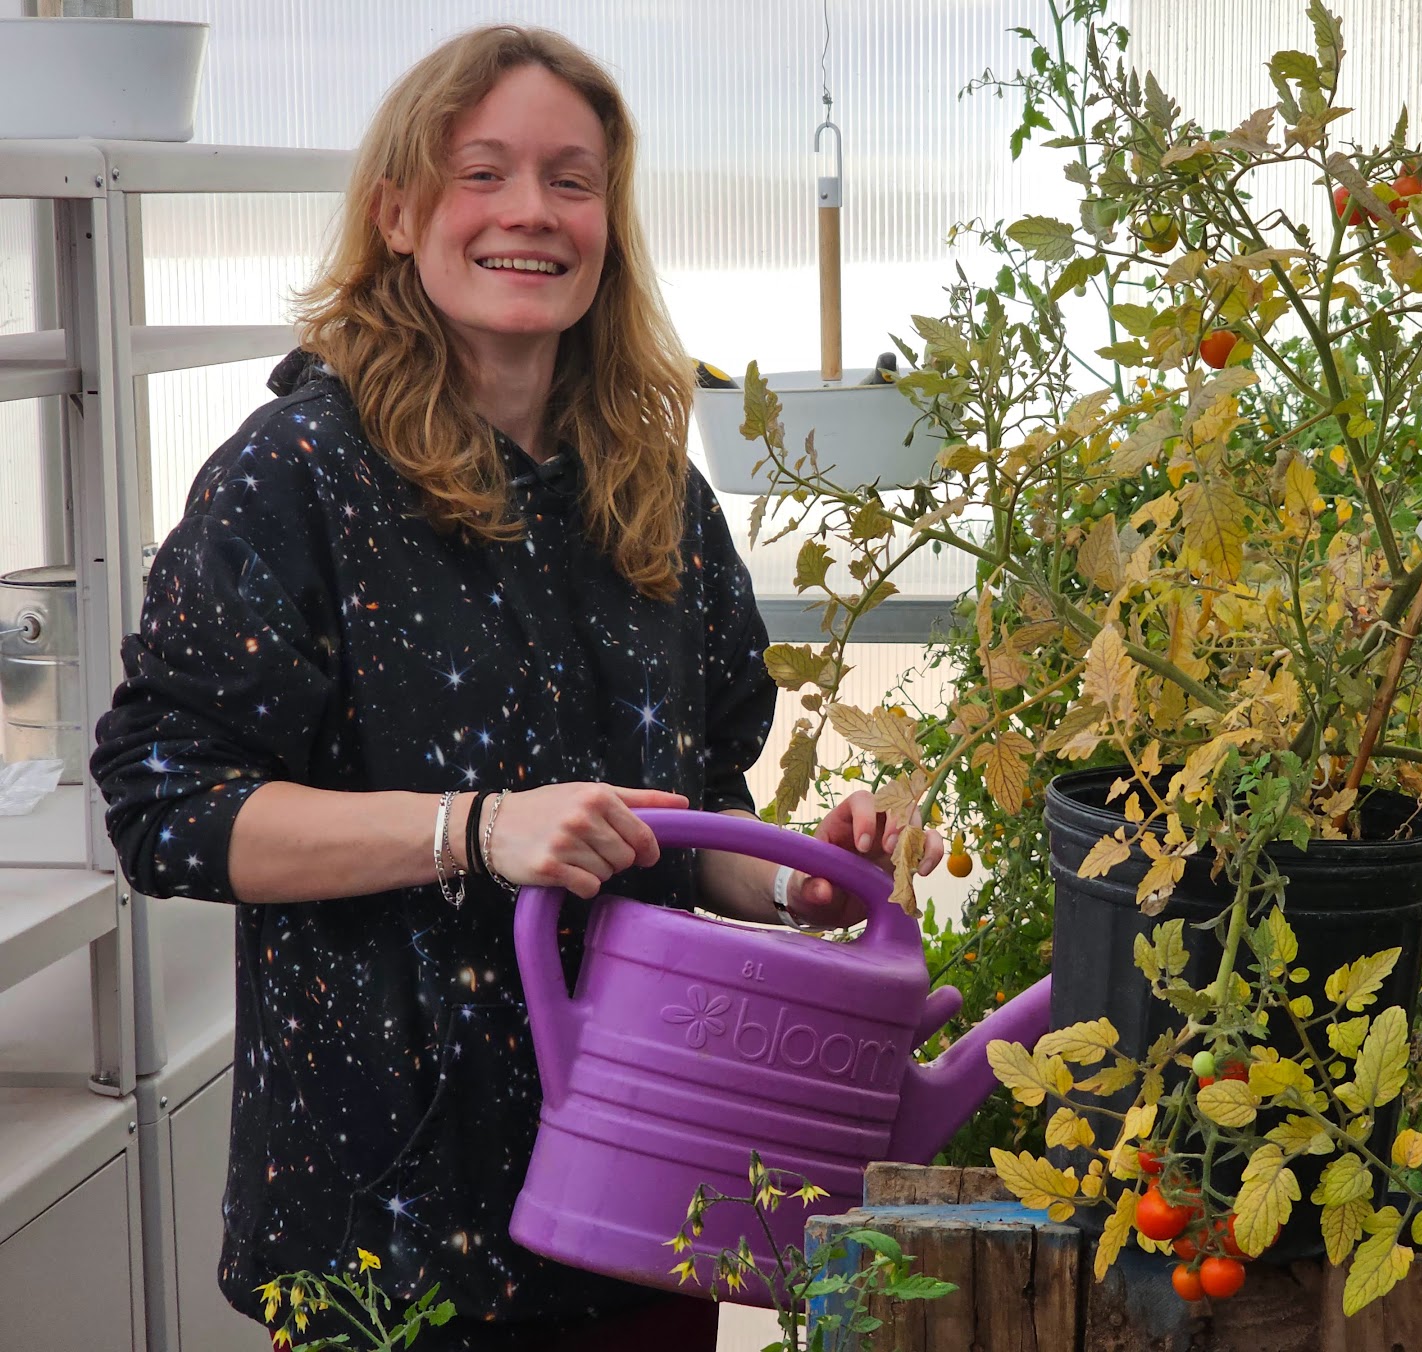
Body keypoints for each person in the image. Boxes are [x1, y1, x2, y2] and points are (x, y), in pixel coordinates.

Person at [91, 25, 940, 1352]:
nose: (531, 213)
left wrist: (791, 881)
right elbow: (166, 810)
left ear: (610, 221)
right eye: (482, 173)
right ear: (398, 212)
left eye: (571, 180)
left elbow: (680, 815)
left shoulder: (650, 486)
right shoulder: (296, 476)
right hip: (390, 1216)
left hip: (646, 1197)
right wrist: (472, 827)